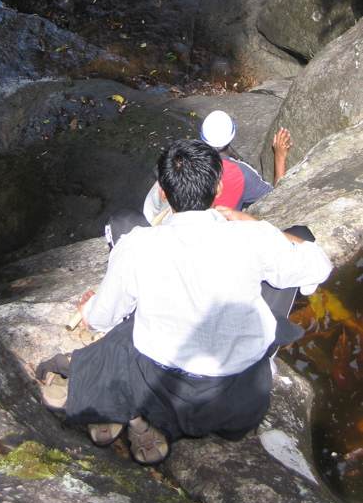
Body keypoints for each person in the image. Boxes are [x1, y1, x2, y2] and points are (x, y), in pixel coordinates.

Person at [39, 140, 332, 465]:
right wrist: (254, 224)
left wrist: (88, 311)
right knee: (300, 236)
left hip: (162, 388)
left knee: (122, 339)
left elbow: (103, 318)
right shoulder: (253, 238)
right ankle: (145, 416)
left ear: (163, 191)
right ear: (218, 186)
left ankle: (121, 405)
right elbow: (319, 265)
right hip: (242, 402)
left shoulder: (139, 246)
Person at [143, 110, 292, 226]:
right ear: (218, 188)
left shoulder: (177, 164)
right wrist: (279, 156)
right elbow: (277, 199)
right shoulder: (242, 173)